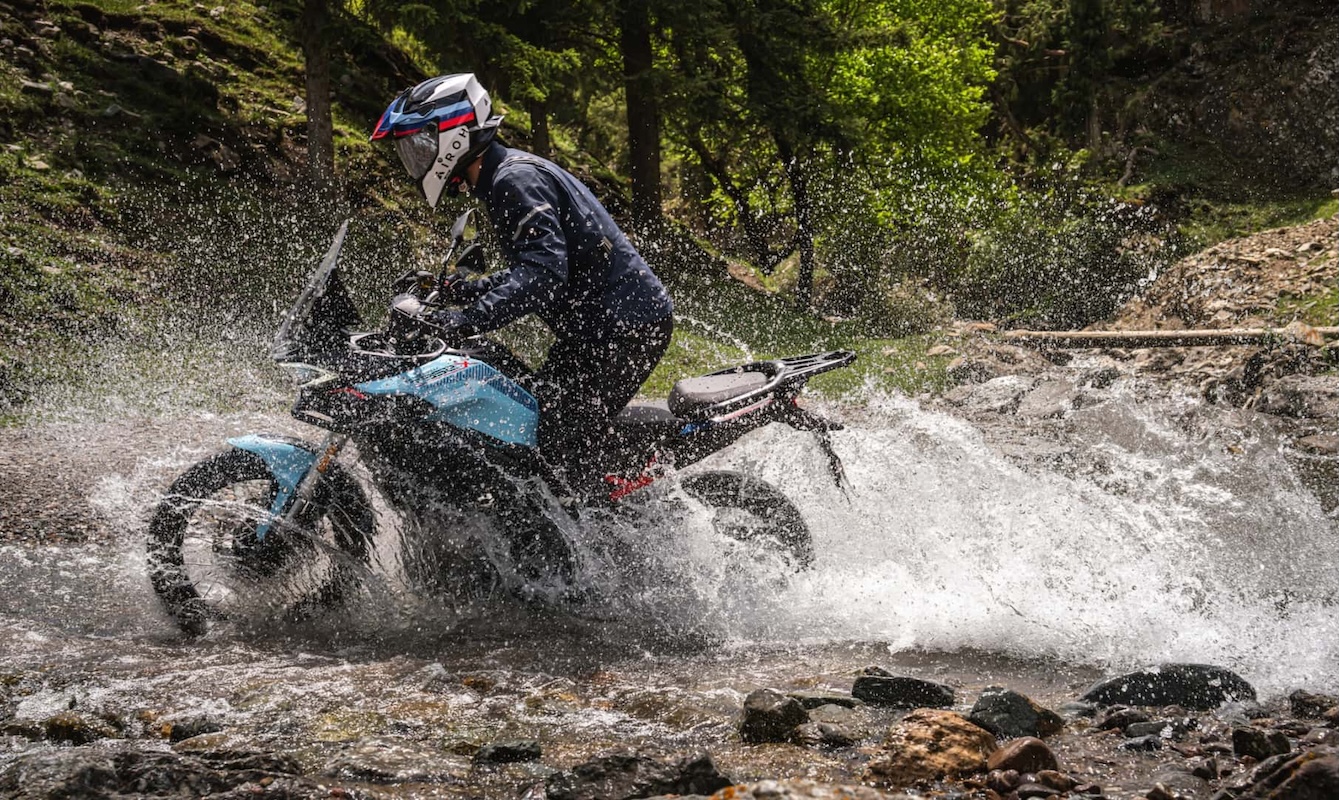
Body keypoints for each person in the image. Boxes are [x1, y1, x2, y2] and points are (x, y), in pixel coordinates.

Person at [372, 73, 674, 492]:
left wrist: (467, 318)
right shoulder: (499, 177)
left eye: (419, 144)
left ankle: (597, 536)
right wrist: (462, 290)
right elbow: (537, 267)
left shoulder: (513, 179)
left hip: (628, 327)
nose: (414, 158)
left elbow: (544, 276)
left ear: (451, 136)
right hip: (598, 328)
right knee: (532, 411)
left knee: (559, 439)